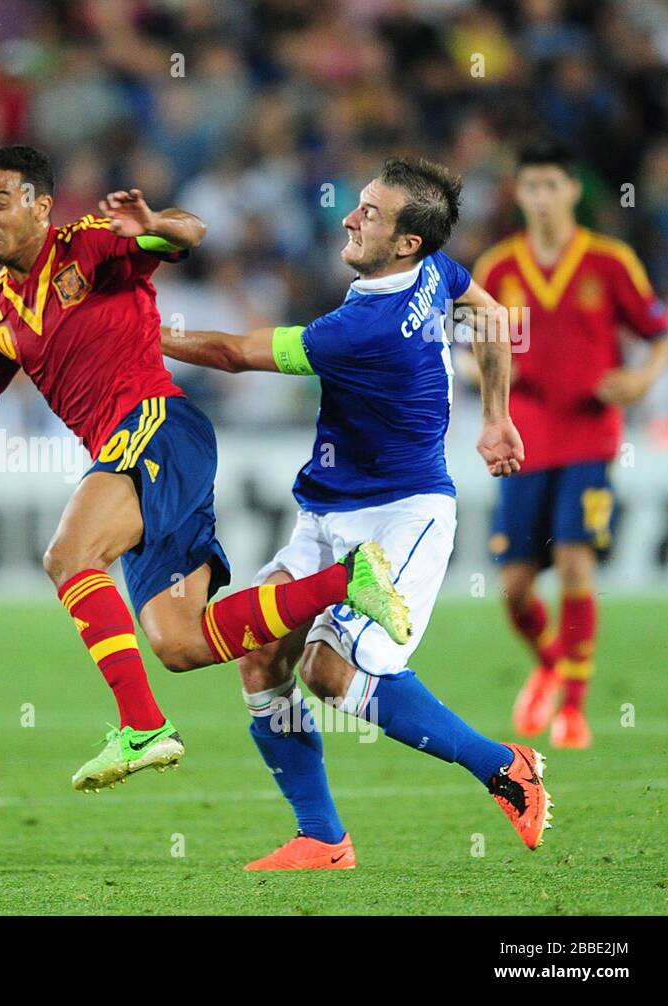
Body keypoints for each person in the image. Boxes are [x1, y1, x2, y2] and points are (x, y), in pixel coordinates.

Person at [0, 145, 409, 792]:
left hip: (157, 424)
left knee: (68, 556)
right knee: (180, 643)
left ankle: (143, 728)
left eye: (0, 201)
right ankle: (347, 580)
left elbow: (192, 232)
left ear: (41, 207)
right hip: (137, 453)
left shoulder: (90, 245)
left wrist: (154, 221)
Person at [161, 157, 550, 868]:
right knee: (261, 652)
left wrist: (140, 338)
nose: (349, 216)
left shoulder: (363, 327)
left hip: (403, 516)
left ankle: (503, 764)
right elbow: (490, 314)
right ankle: (322, 838)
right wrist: (494, 416)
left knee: (331, 673)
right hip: (327, 513)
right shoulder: (432, 272)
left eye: (369, 212)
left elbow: (232, 352)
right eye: (360, 204)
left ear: (406, 241)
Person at [474, 138, 668, 749]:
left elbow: (660, 331)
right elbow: (471, 349)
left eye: (550, 186)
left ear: (572, 191)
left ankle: (575, 710)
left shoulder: (610, 262)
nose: (539, 198)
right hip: (524, 439)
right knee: (513, 585)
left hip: (592, 435)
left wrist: (640, 378)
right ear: (520, 194)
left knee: (575, 563)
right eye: (529, 187)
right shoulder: (497, 269)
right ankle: (552, 663)